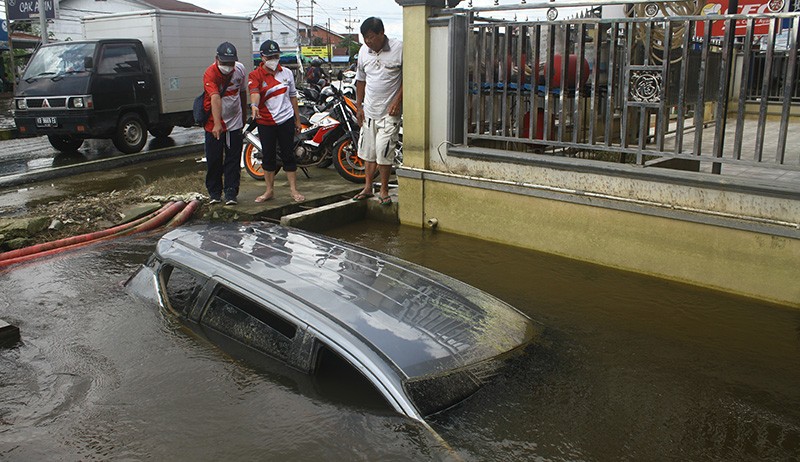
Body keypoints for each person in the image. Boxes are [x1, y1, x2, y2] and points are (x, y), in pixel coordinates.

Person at [352, 17, 403, 206]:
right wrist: (359, 106)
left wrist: (398, 101)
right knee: (368, 152)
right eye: (365, 38)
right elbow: (360, 80)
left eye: (371, 37)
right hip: (369, 111)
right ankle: (367, 187)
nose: (368, 41)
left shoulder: (399, 48)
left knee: (384, 151)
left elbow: (408, 77)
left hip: (390, 112)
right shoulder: (364, 51)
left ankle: (383, 189)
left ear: (381, 33)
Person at [249, 40, 305, 203]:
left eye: (276, 56)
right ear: (262, 57)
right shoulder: (255, 75)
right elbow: (254, 93)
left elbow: (293, 96)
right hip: (265, 121)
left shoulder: (287, 73)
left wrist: (297, 119)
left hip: (286, 119)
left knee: (289, 155)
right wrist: (254, 105)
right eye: (270, 57)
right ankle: (269, 191)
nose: (273, 59)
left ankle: (294, 190)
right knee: (268, 156)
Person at [202, 41, 247, 205]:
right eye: (224, 63)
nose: (228, 67)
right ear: (216, 59)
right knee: (214, 158)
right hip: (214, 123)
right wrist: (217, 124)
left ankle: (231, 192)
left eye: (231, 63)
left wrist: (244, 116)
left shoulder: (240, 70)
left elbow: (242, 93)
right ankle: (214, 192)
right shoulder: (210, 73)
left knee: (233, 159)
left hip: (234, 121)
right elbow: (215, 98)